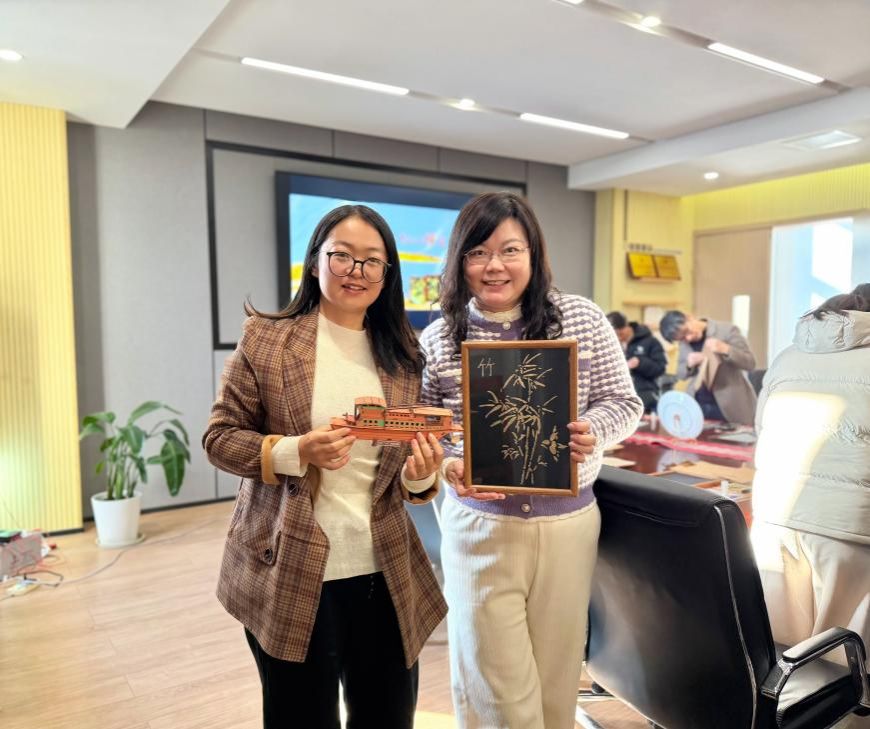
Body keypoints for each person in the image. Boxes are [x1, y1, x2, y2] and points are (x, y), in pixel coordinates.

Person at [203, 205, 448, 729]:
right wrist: (296, 452)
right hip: (292, 565)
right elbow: (219, 439)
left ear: (387, 274)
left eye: (372, 260)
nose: (356, 271)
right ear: (315, 261)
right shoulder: (267, 340)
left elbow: (405, 474)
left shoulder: (404, 355)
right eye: (343, 256)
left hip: (383, 568)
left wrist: (421, 475)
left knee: (388, 718)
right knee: (301, 717)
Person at [419, 192, 643, 729]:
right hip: (481, 527)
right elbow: (430, 430)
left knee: (557, 678)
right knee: (493, 686)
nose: (494, 265)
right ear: (460, 262)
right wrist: (449, 465)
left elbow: (623, 402)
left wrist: (594, 431)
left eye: (510, 250)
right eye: (478, 252)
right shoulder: (441, 337)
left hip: (568, 524)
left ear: (533, 254)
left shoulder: (580, 317)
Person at [751, 284, 870, 725]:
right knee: (849, 668)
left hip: (773, 526)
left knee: (785, 661)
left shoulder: (787, 357)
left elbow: (760, 427)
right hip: (851, 536)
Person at [659, 309, 757, 424]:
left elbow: (750, 363)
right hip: (698, 405)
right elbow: (680, 374)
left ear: (689, 317)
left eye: (687, 332)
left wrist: (726, 349)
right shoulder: (683, 343)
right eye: (682, 339)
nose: (688, 338)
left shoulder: (727, 330)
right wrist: (689, 365)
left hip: (729, 404)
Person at [606, 311, 667, 413]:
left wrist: (640, 362)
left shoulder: (650, 342)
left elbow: (660, 368)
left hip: (645, 397)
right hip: (618, 400)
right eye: (614, 335)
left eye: (619, 334)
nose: (618, 338)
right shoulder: (612, 344)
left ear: (626, 327)